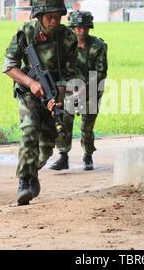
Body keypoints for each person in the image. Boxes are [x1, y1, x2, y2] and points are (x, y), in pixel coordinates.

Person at [3, 0, 77, 205]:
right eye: (48, 16)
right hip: (29, 91)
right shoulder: (26, 33)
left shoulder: (68, 38)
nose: (53, 21)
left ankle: (32, 171)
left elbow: (68, 74)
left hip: (53, 92)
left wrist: (58, 99)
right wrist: (32, 83)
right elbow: (9, 66)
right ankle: (24, 182)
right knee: (29, 130)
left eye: (57, 16)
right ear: (38, 16)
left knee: (46, 146)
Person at [50, 11, 108, 171]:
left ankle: (88, 155)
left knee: (86, 127)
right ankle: (63, 156)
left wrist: (83, 88)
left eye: (85, 28)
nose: (81, 31)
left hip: (91, 91)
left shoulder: (98, 46)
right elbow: (58, 69)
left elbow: (100, 73)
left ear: (89, 28)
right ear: (73, 28)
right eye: (78, 27)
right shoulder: (64, 46)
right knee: (63, 123)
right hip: (68, 90)